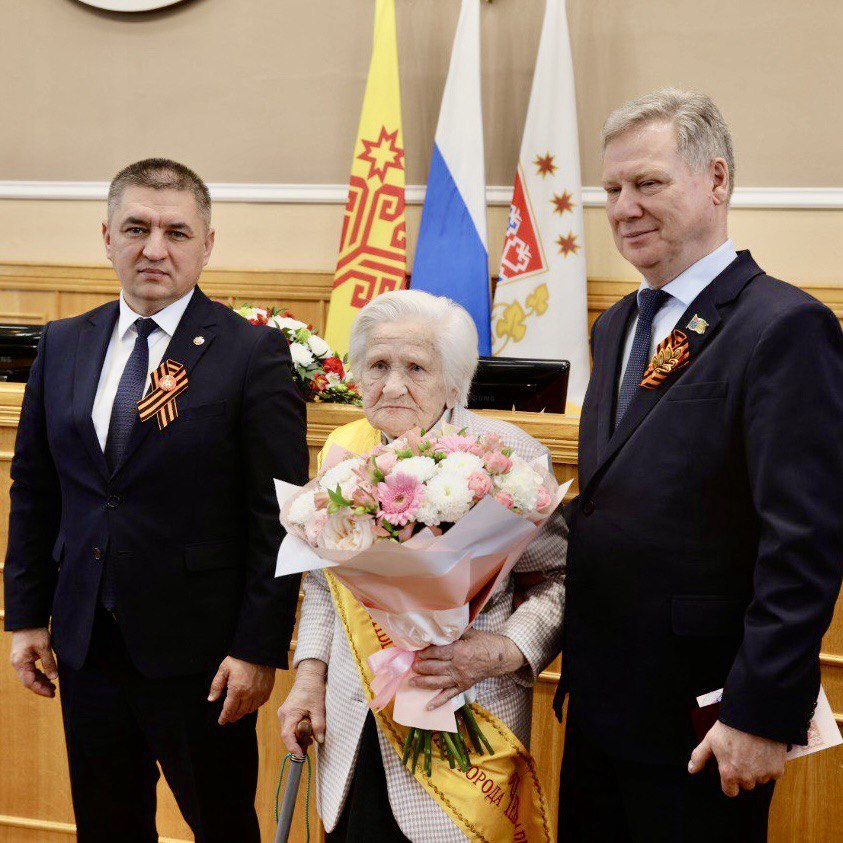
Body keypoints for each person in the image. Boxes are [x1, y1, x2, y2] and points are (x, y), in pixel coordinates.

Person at [556, 88, 843, 841]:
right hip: (598, 706)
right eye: (611, 189)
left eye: (647, 183)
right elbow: (612, 496)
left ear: (715, 179)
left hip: (705, 722)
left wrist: (759, 711)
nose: (623, 208)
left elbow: (805, 541)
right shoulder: (616, 325)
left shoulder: (783, 326)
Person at [4, 158, 309, 842]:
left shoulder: (251, 353)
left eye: (176, 232)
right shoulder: (63, 342)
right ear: (106, 237)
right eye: (136, 228)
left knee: (222, 827)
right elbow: (35, 487)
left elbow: (279, 517)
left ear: (207, 244)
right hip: (86, 643)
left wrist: (258, 647)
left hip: (202, 655)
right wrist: (25, 615)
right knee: (106, 827)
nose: (153, 249)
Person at [278, 289, 567, 842]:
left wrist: (505, 650)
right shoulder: (343, 450)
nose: (392, 386)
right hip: (352, 721)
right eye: (378, 365)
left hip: (467, 719)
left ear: (455, 382)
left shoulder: (508, 456)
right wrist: (309, 678)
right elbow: (323, 582)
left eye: (415, 368)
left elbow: (558, 578)